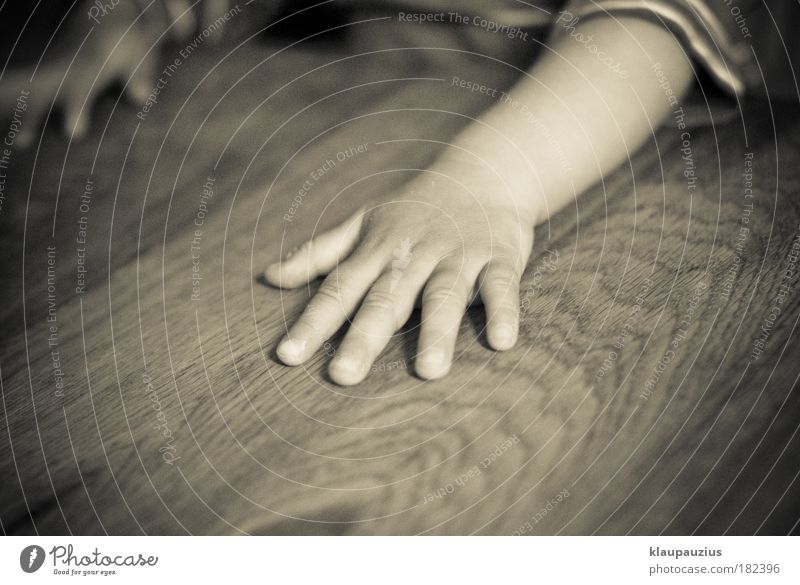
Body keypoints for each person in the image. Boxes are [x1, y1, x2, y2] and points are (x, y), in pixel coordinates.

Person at [0, 1, 772, 385]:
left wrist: (488, 183)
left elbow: (655, 24)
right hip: (356, 108)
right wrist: (130, 21)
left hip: (611, 151)